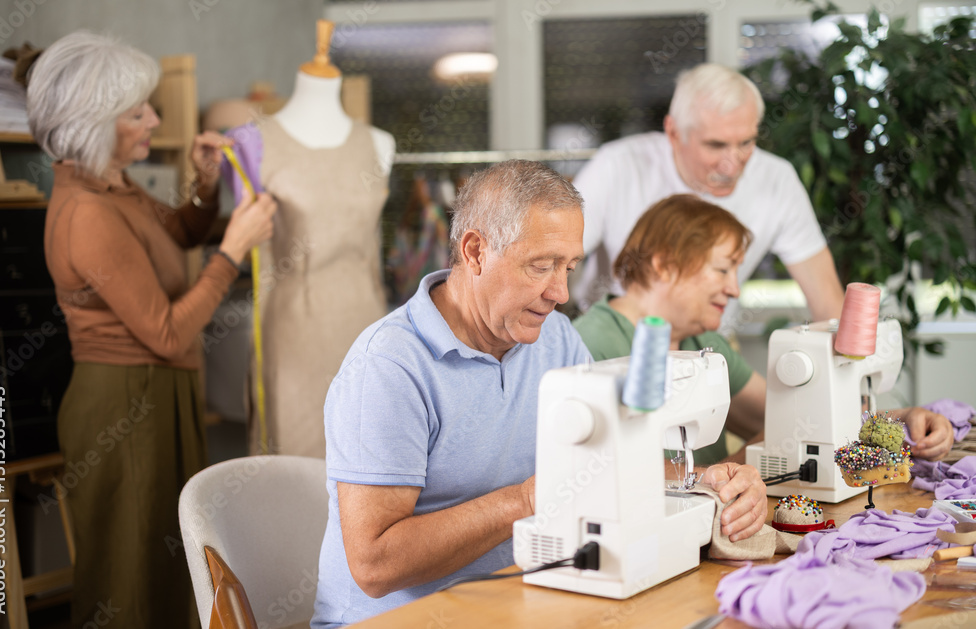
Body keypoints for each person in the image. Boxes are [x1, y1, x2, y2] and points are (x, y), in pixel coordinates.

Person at [312, 161, 768, 628]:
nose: (561, 292)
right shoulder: (388, 367)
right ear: (475, 252)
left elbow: (610, 464)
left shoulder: (555, 339)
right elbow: (374, 565)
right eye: (541, 266)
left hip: (522, 602)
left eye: (569, 267)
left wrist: (707, 481)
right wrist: (527, 500)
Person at [28, 31, 276, 628]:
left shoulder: (111, 184)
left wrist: (206, 183)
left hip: (154, 395)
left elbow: (178, 236)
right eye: (137, 112)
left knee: (167, 572)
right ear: (95, 121)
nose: (155, 120)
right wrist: (234, 251)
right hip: (124, 405)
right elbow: (166, 333)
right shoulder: (87, 212)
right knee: (131, 580)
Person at [573, 194, 955, 466]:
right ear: (662, 265)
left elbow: (788, 418)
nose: (734, 289)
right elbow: (618, 481)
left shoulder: (702, 343)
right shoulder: (592, 345)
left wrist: (899, 420)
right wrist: (746, 459)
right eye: (722, 270)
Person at [222, 20, 394, 459]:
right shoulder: (250, 142)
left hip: (366, 330)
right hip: (291, 331)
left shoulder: (378, 143)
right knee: (295, 474)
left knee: (368, 463)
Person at [572, 63, 845, 330]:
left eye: (746, 143)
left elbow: (828, 301)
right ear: (674, 133)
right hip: (615, 335)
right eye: (716, 145)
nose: (732, 164)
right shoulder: (616, 166)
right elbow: (553, 261)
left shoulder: (777, 180)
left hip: (708, 344)